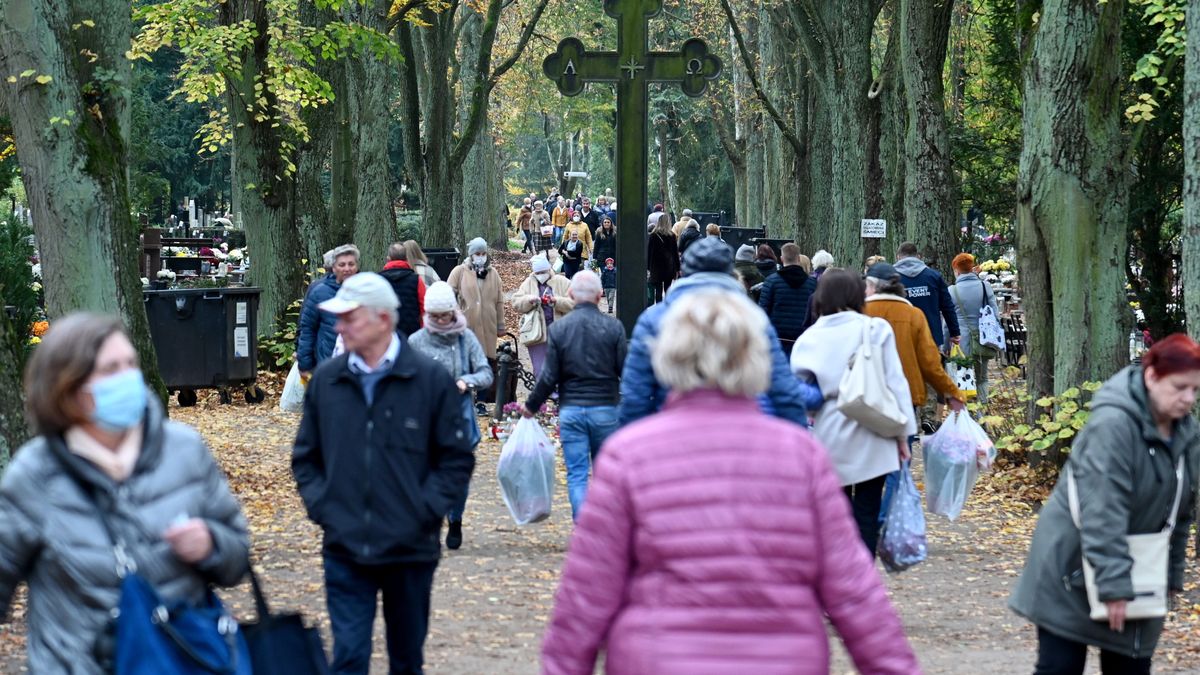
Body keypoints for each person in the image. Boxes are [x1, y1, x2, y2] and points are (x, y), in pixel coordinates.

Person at [541, 290, 920, 674]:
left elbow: (587, 595)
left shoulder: (629, 455)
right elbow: (854, 591)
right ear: (757, 357)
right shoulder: (801, 457)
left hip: (659, 657)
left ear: (669, 355)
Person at [0, 313, 250, 671]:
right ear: (67, 387)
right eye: (110, 369)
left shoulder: (184, 450)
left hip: (181, 659)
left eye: (130, 364)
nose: (128, 378)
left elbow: (237, 559)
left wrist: (211, 544)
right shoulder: (34, 475)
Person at [293, 273, 474, 675]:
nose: (339, 327)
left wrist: (425, 511)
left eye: (349, 318)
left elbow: (456, 458)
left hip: (410, 549)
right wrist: (326, 508)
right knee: (350, 658)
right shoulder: (328, 380)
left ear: (383, 320)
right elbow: (306, 457)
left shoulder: (429, 381)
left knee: (406, 661)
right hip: (345, 547)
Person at [1009, 334, 1200, 675]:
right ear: (1152, 376)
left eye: (1195, 390)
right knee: (1060, 667)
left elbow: (1181, 511)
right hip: (1071, 563)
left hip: (1136, 566)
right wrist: (1113, 584)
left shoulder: (1186, 434)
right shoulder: (1112, 425)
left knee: (1131, 667)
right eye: (1180, 387)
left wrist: (1170, 576)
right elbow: (1102, 508)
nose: (1188, 399)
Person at [620, 237, 822, 429]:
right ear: (731, 273)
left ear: (684, 272)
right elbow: (783, 391)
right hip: (741, 437)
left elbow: (636, 395)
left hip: (668, 434)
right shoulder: (752, 318)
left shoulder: (654, 319)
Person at [790, 270, 915, 555]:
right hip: (875, 423)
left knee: (836, 513)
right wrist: (903, 434)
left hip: (830, 428)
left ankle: (842, 571)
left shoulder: (808, 338)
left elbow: (799, 393)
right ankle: (865, 575)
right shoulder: (876, 329)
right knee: (868, 511)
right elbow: (895, 382)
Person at [864, 261, 966, 518]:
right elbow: (931, 365)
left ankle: (868, 521)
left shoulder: (860, 312)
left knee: (870, 466)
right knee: (899, 466)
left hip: (866, 399)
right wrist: (953, 393)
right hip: (905, 399)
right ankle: (884, 519)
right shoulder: (914, 316)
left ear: (874, 286)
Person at [522, 272, 626, 520]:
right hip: (605, 409)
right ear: (600, 296)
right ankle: (602, 523)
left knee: (577, 473)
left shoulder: (559, 330)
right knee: (604, 473)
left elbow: (549, 377)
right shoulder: (614, 328)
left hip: (571, 410)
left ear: (570, 295)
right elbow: (625, 370)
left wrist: (531, 405)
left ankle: (582, 524)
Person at [408, 282, 493, 551]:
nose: (441, 321)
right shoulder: (416, 342)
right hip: (426, 417)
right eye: (435, 316)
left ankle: (455, 518)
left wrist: (466, 382)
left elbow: (485, 373)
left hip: (459, 415)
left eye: (445, 315)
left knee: (457, 475)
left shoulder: (465, 338)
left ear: (453, 312)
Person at [447, 238, 505, 409]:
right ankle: (465, 399)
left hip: (488, 325)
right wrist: (456, 312)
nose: (480, 256)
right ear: (471, 255)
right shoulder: (460, 271)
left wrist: (500, 325)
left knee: (485, 363)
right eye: (477, 254)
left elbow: (500, 300)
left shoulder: (493, 273)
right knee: (466, 362)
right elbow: (449, 293)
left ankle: (481, 400)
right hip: (466, 325)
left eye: (483, 253)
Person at [298, 243, 359, 377]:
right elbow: (307, 329)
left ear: (357, 266)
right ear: (334, 267)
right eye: (342, 265)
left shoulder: (366, 290)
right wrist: (304, 363)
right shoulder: (319, 292)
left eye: (351, 264)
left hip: (360, 365)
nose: (347, 269)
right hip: (328, 363)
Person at [948, 253, 1001, 404]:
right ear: (972, 268)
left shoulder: (952, 290)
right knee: (982, 378)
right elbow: (995, 314)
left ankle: (969, 415)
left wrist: (945, 344)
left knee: (964, 380)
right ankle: (982, 414)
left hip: (961, 344)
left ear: (956, 270)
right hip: (983, 339)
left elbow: (948, 321)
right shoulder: (985, 286)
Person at [512, 255, 575, 378]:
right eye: (538, 273)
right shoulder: (528, 283)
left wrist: (556, 302)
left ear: (549, 269)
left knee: (561, 365)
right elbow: (516, 302)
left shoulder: (562, 282)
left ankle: (559, 392)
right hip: (536, 332)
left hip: (560, 330)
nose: (541, 275)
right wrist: (528, 300)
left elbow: (575, 302)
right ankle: (544, 392)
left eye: (543, 272)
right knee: (540, 367)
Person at [894, 241, 960, 352]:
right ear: (918, 256)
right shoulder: (933, 276)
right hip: (931, 335)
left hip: (901, 336)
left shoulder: (891, 278)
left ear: (898, 257)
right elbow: (947, 306)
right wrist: (954, 332)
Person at [758, 242, 818, 357]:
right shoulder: (812, 284)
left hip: (777, 337)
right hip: (803, 338)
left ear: (781, 258)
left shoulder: (771, 282)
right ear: (799, 258)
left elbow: (763, 311)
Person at [380, 242, 426, 337]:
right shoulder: (417, 280)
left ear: (388, 259)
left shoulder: (378, 280)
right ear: (406, 258)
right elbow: (424, 309)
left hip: (385, 334)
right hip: (412, 333)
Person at [647, 214, 679, 303]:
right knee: (668, 289)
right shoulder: (672, 235)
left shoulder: (653, 235)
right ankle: (667, 307)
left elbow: (649, 252)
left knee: (658, 289)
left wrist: (648, 267)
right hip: (669, 266)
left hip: (656, 266)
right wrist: (677, 268)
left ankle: (658, 308)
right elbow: (675, 253)